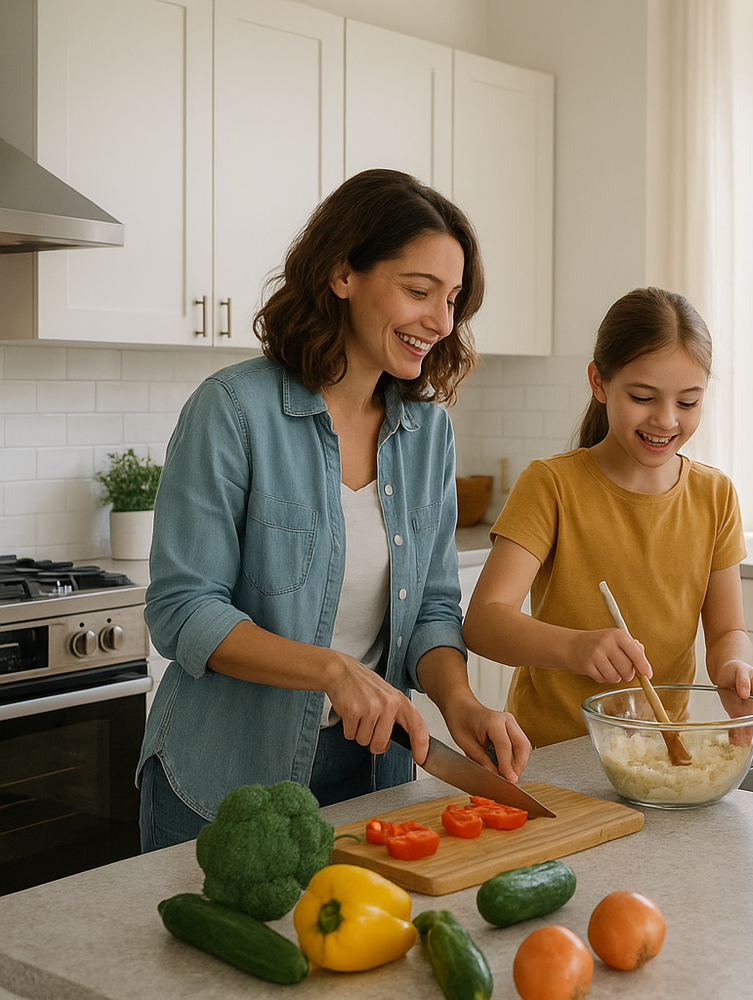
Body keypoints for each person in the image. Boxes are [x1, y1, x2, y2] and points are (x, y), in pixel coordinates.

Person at [139, 169, 531, 851]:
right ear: (342, 274)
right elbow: (183, 610)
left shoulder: (426, 433)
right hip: (221, 783)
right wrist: (331, 669)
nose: (440, 322)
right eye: (418, 291)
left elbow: (434, 609)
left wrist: (459, 700)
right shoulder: (233, 410)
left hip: (371, 780)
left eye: (452, 299)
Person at [462, 286, 753, 746]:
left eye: (688, 402)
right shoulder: (551, 486)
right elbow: (484, 622)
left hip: (659, 754)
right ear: (599, 382)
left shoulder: (715, 495)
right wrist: (574, 647)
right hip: (549, 755)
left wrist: (733, 666)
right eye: (644, 397)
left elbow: (728, 629)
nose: (667, 420)